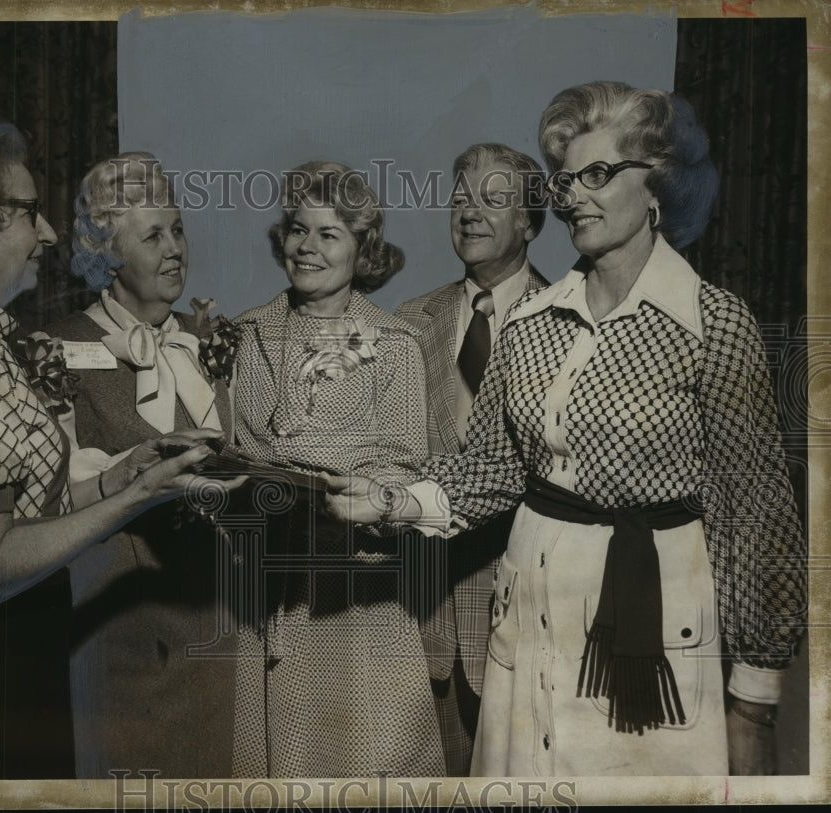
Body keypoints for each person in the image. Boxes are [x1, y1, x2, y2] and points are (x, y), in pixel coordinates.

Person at [327, 82, 807, 776]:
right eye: (566, 179)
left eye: (598, 174)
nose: (573, 196)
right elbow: (490, 470)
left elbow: (753, 515)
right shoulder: (529, 323)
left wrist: (755, 699)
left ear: (658, 185)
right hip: (528, 611)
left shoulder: (714, 324)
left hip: (654, 623)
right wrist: (392, 502)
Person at [0, 116, 239, 779]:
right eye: (28, 211)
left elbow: (16, 506)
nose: (46, 232)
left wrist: (125, 472)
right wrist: (136, 497)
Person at [230, 160, 445, 777]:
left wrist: (351, 489)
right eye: (298, 229)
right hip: (261, 583)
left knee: (359, 765)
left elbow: (405, 466)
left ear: (362, 248)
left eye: (329, 234)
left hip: (354, 589)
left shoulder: (395, 343)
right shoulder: (244, 333)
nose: (308, 246)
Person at [43, 152, 243, 778]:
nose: (175, 248)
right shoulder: (57, 348)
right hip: (122, 625)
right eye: (153, 237)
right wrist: (132, 470)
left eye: (177, 230)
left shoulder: (208, 337)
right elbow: (52, 493)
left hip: (219, 619)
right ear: (108, 255)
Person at [395, 143, 548, 775]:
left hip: (527, 613)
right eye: (461, 198)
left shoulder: (565, 318)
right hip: (422, 612)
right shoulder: (409, 323)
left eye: (493, 200)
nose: (470, 212)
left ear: (529, 222)